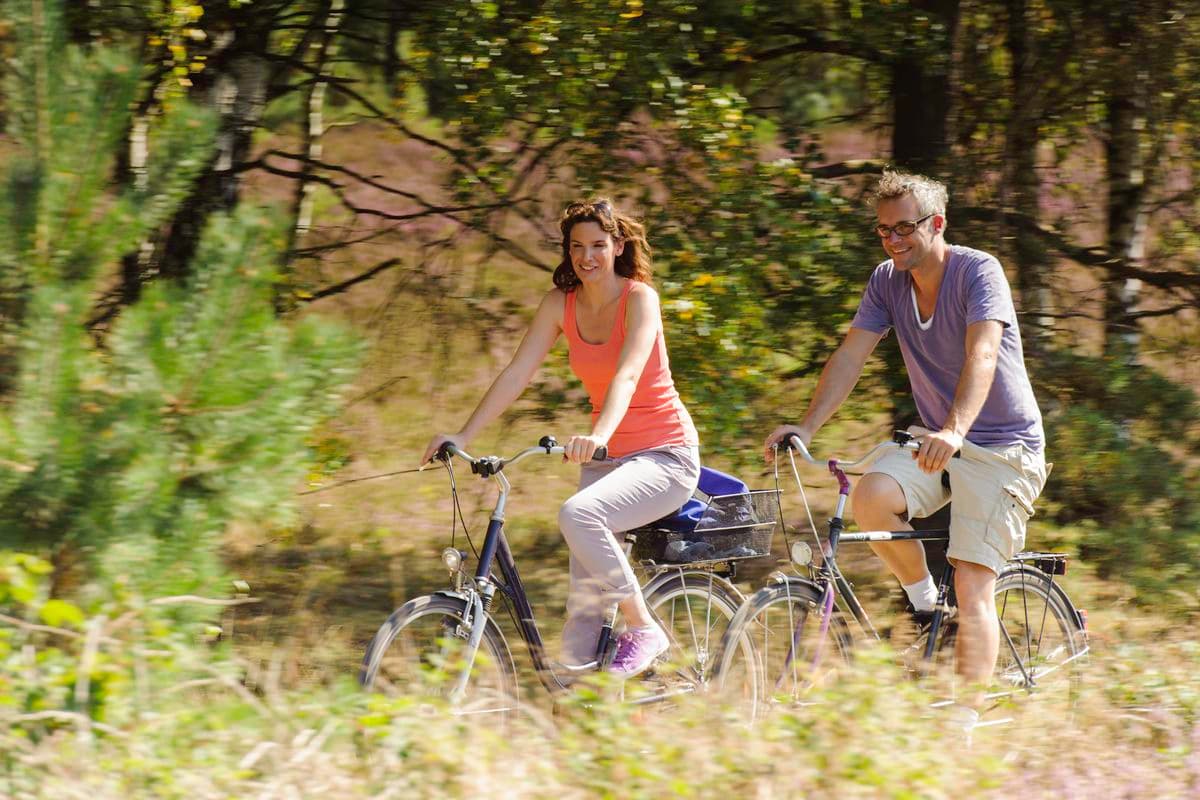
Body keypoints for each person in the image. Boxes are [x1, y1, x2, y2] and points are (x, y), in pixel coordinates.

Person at [765, 170, 1048, 735]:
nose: (893, 241)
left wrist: (955, 429)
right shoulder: (886, 282)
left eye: (905, 229)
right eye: (883, 231)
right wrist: (807, 424)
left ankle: (962, 728)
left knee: (971, 580)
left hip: (1001, 447)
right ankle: (926, 609)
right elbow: (851, 356)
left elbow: (983, 354)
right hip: (934, 438)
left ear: (936, 224)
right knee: (871, 497)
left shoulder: (977, 271)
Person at [422, 198, 700, 679]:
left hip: (664, 456)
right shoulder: (560, 305)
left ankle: (644, 628)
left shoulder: (639, 299)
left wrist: (597, 434)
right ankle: (578, 707)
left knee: (578, 514)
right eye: (577, 247)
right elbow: (517, 373)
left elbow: (629, 374)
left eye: (598, 245)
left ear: (617, 246)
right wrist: (463, 433)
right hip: (608, 461)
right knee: (585, 604)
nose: (586, 257)